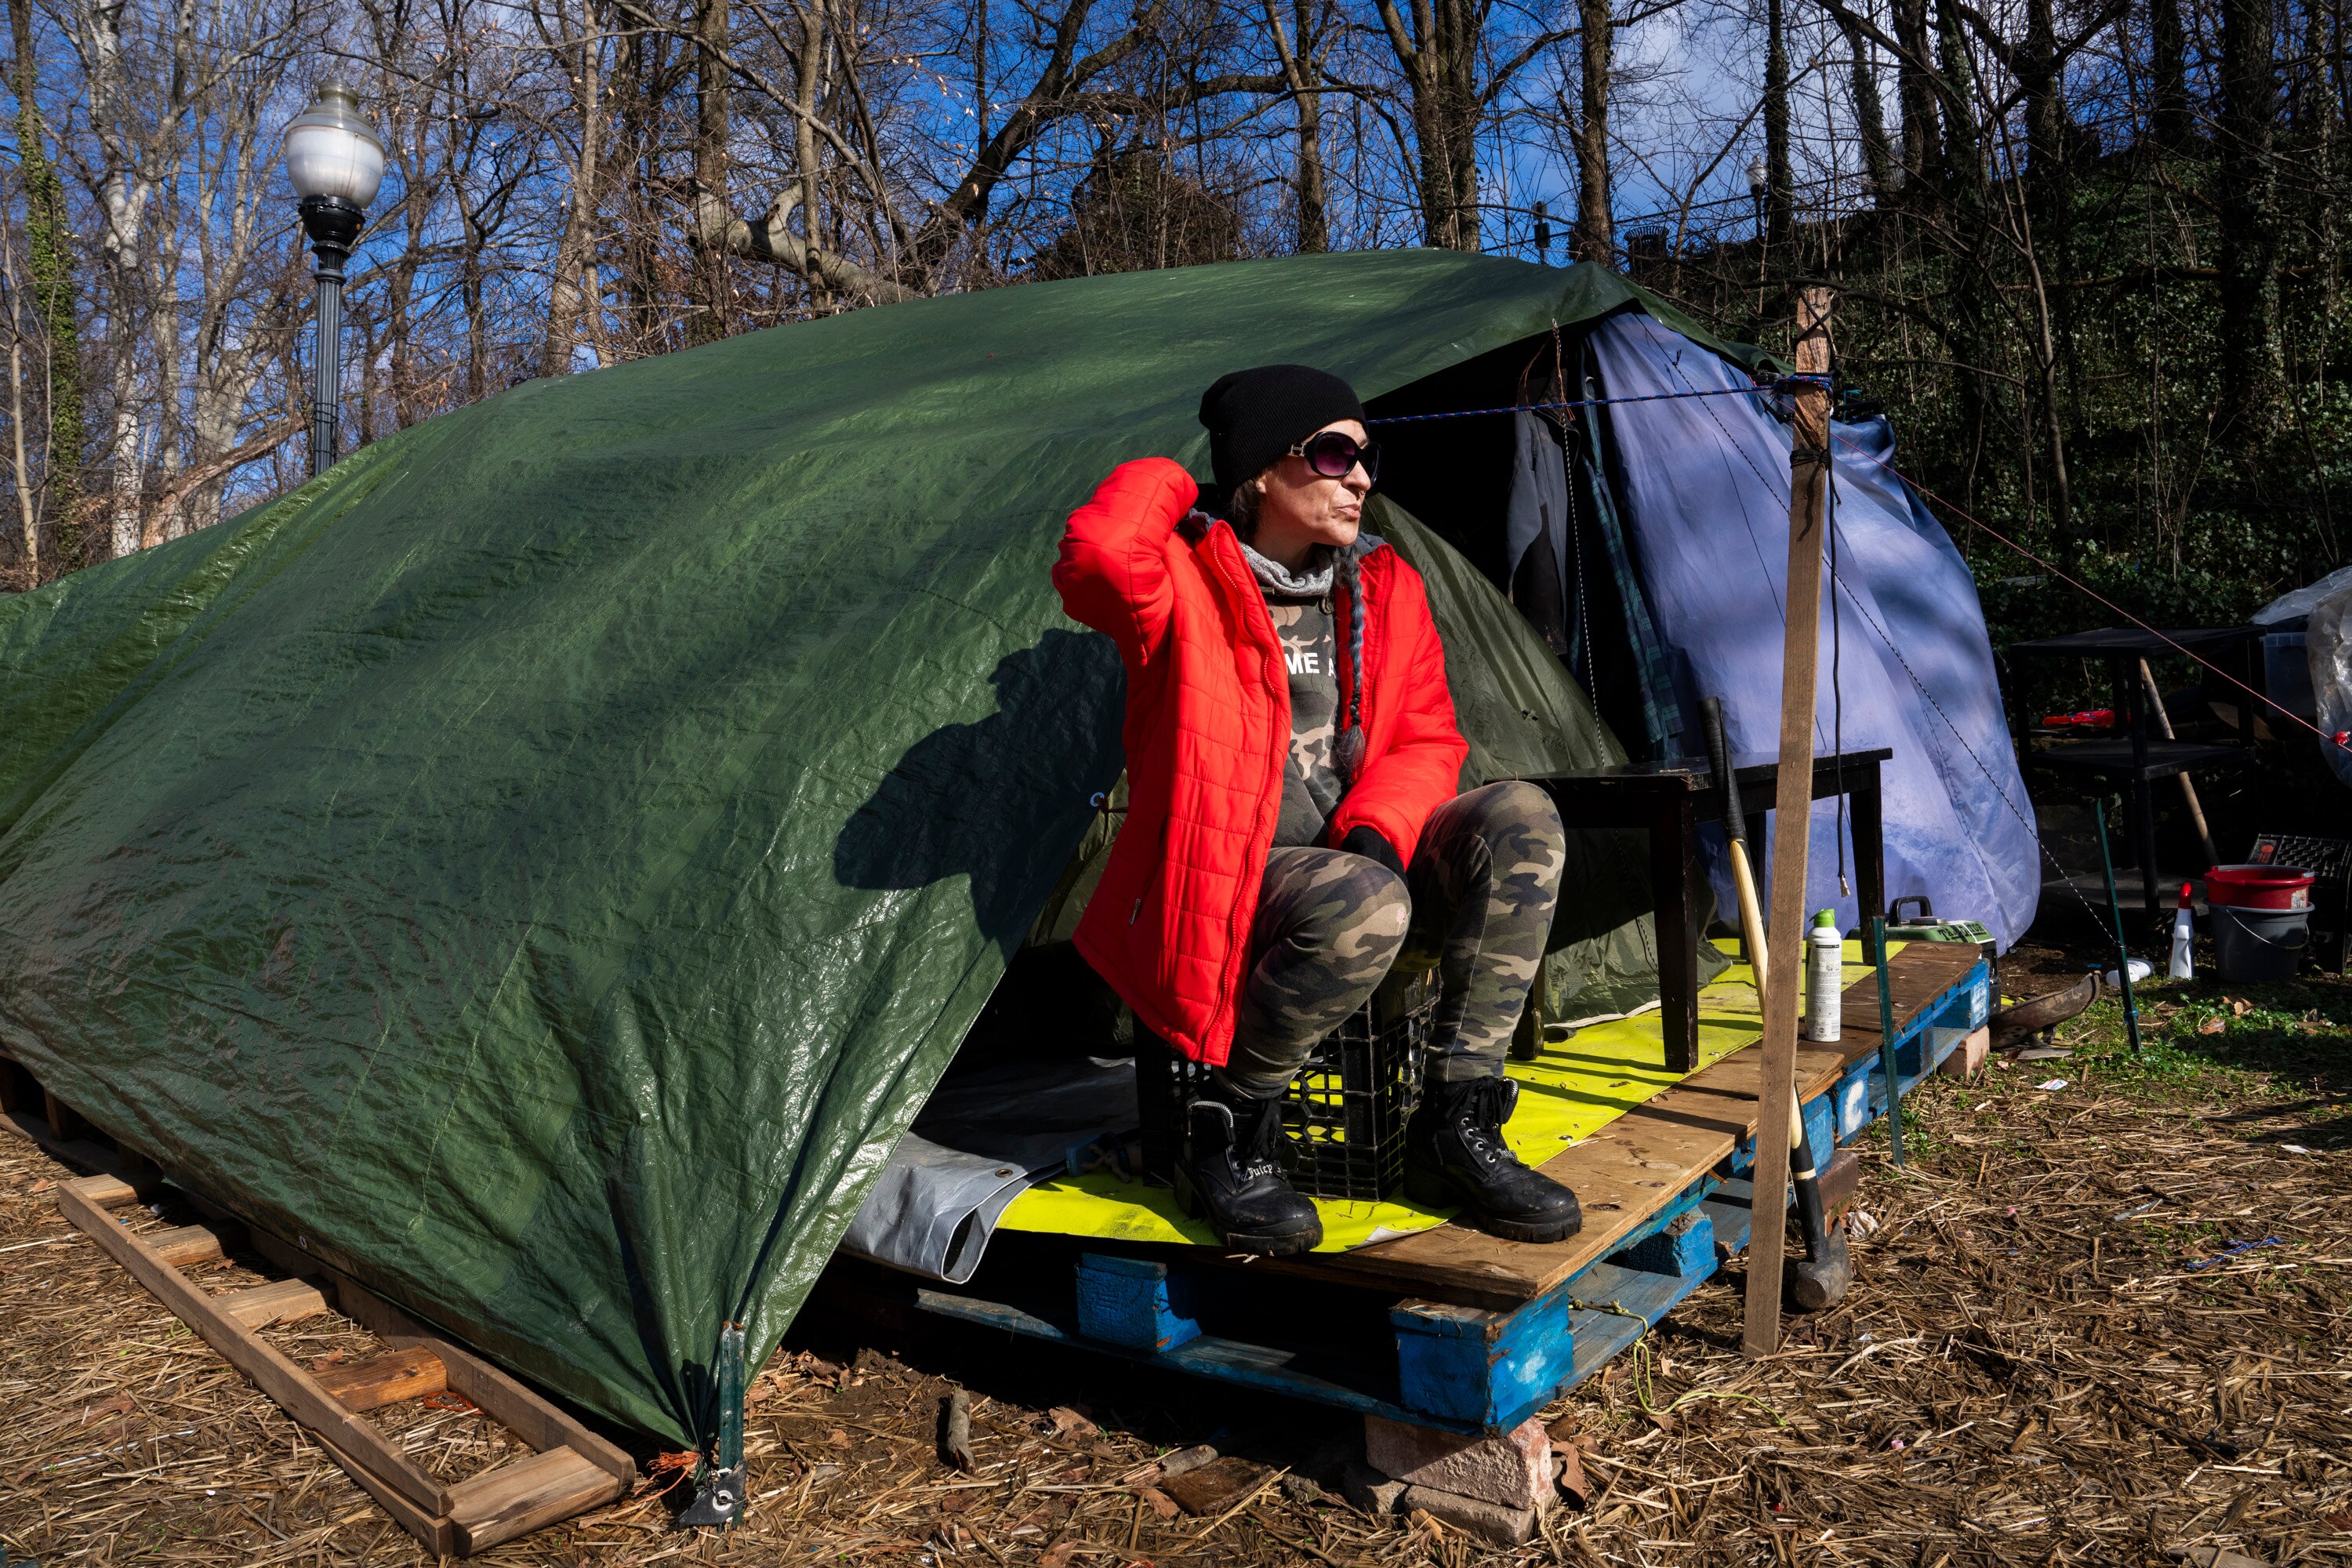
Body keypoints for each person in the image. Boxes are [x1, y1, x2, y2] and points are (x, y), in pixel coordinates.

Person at [1053, 364, 1582, 1258]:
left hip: (1361, 855)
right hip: (1234, 876)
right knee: (1361, 899)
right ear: (1262, 470)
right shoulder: (1179, 581)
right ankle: (1229, 1129)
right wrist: (1186, 471)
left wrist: (1379, 828)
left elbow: (1426, 736)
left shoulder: (1385, 585)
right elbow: (1099, 556)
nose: (1363, 477)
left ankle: (1456, 1121)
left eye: (1367, 455)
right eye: (1335, 454)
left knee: (1522, 816)